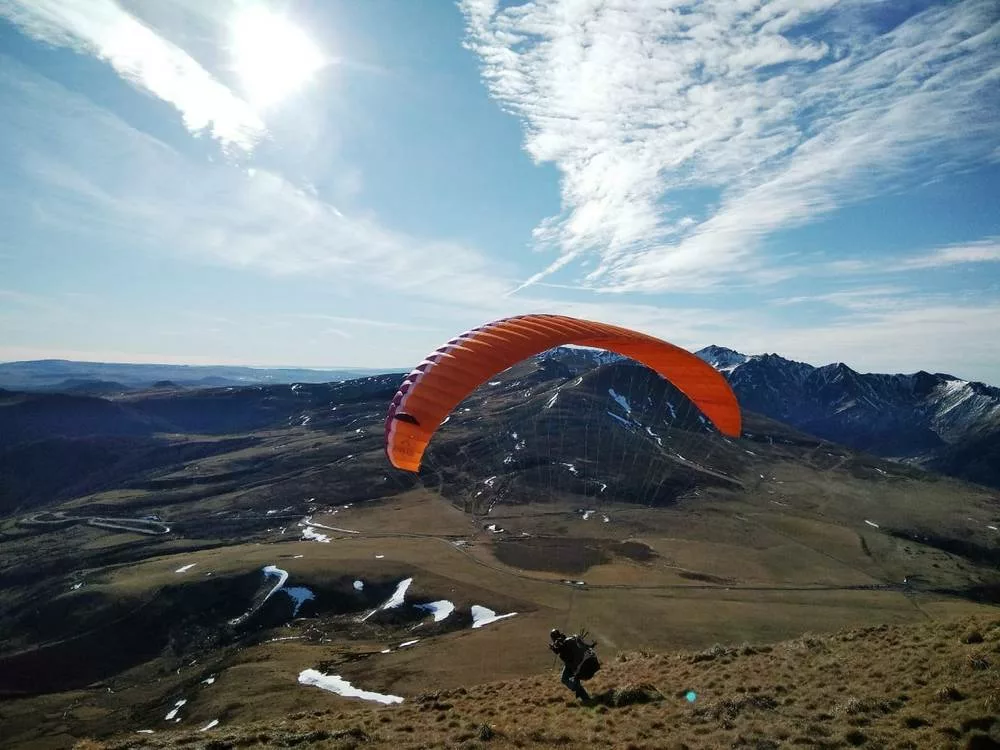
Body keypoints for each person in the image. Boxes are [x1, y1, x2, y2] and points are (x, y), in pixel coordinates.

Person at [549, 628, 599, 701]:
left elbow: (562, 653)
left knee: (565, 679)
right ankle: (585, 698)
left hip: (579, 667)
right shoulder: (572, 638)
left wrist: (555, 649)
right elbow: (585, 646)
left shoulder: (561, 643)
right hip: (588, 663)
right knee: (574, 677)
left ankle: (583, 695)